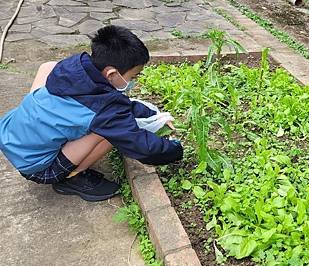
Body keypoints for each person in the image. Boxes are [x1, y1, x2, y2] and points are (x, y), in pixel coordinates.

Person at [0, 25, 183, 201]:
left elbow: (120, 106)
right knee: (105, 132)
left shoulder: (74, 66)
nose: (135, 81)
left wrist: (153, 115)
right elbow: (143, 147)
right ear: (111, 74)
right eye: (133, 76)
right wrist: (176, 149)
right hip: (36, 168)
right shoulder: (105, 112)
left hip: (9, 133)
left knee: (48, 67)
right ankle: (72, 178)